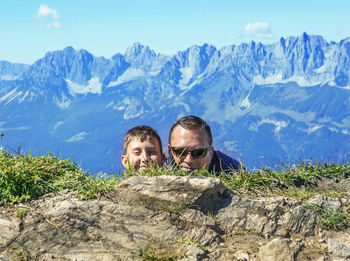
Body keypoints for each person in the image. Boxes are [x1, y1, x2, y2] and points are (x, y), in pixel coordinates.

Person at [167, 115, 242, 173]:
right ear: (170, 151)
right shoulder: (159, 164)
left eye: (198, 153)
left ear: (211, 152)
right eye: (180, 152)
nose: (188, 160)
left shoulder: (232, 171)